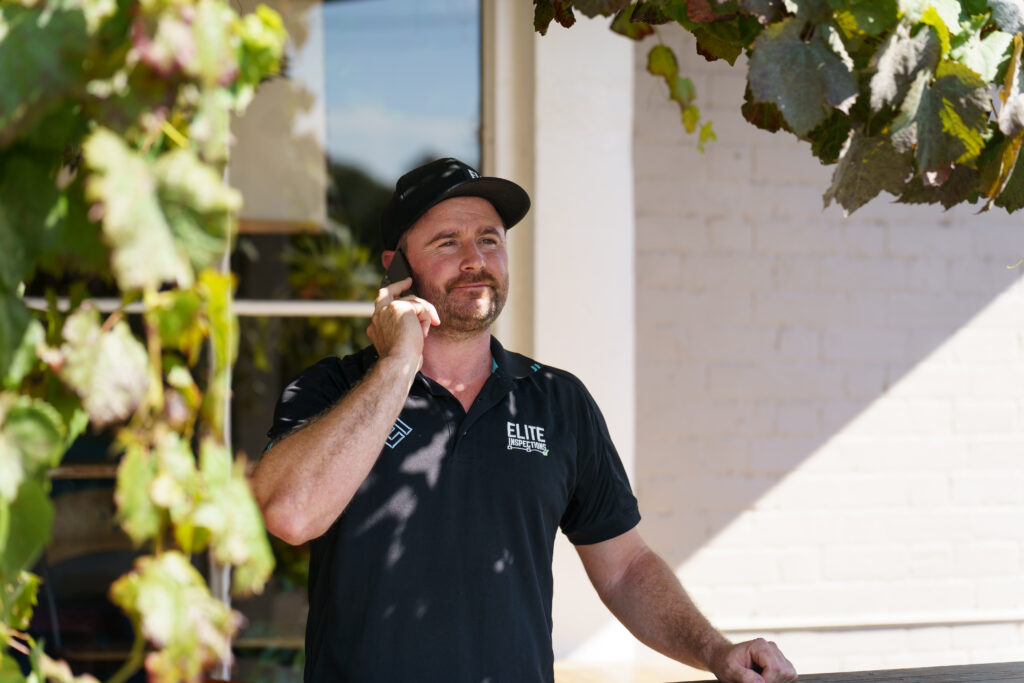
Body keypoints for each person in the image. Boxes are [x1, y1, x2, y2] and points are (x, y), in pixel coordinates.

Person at [251, 158, 798, 683]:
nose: (476, 259)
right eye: (448, 242)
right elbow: (292, 516)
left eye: (489, 239)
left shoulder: (558, 401)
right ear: (396, 266)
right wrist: (398, 365)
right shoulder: (331, 390)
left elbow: (626, 568)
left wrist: (714, 649)